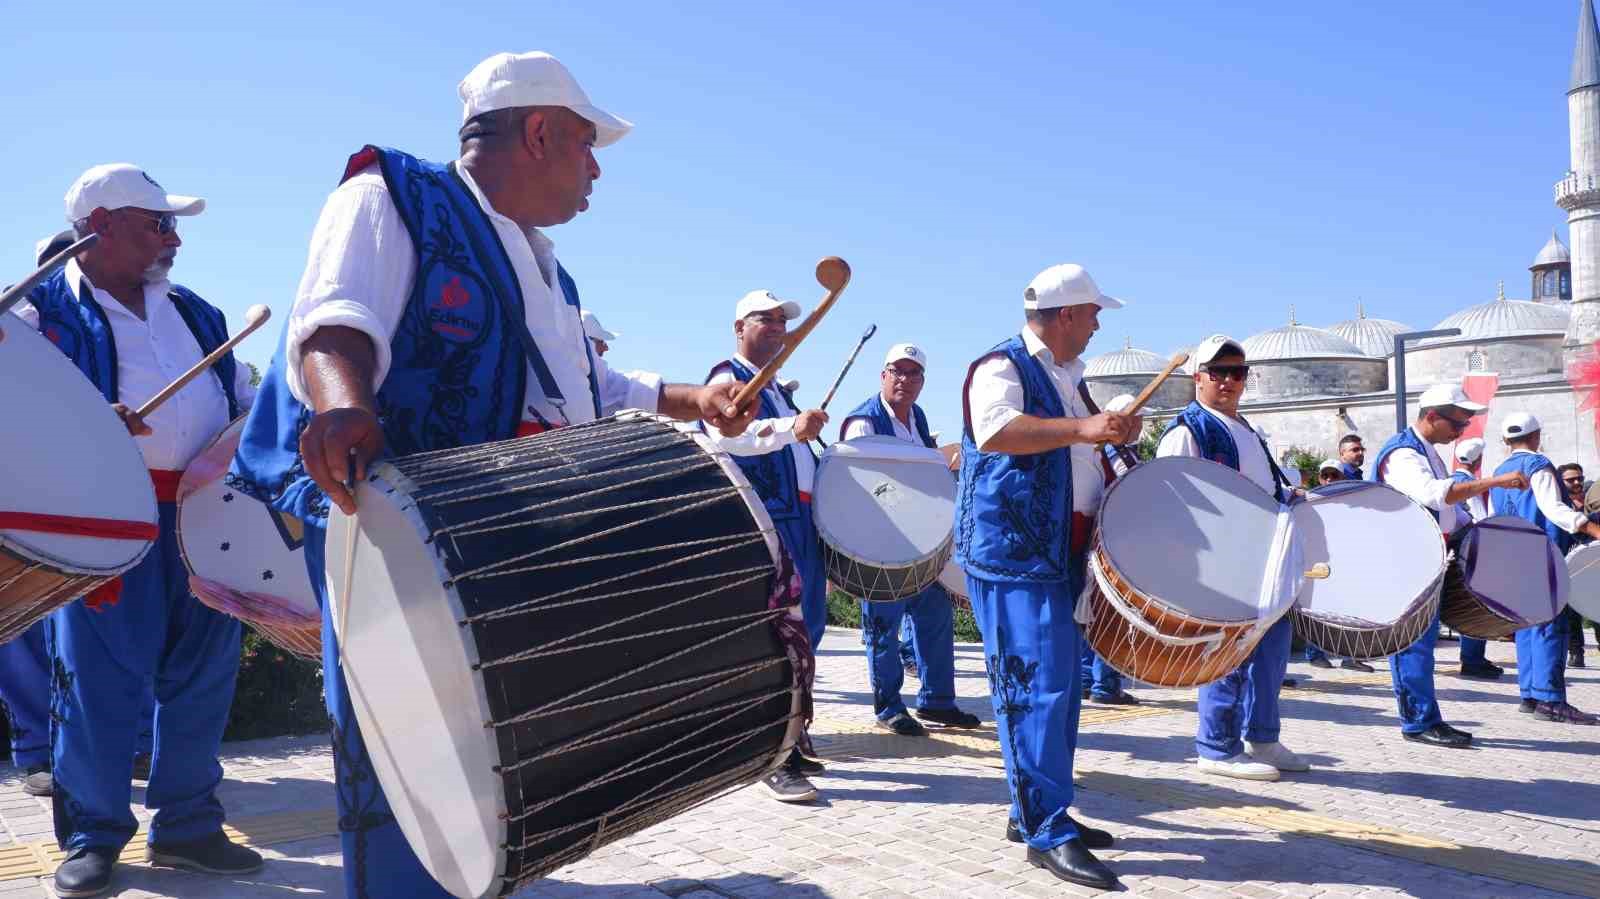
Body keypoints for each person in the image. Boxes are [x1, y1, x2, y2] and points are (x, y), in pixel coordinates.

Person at [229, 51, 758, 898]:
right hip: (389, 522)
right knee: (405, 758)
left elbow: (589, 385)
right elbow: (334, 320)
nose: (594, 170)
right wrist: (341, 403)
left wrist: (700, 398)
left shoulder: (546, 265)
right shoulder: (392, 194)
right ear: (538, 130)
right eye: (587, 147)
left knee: (488, 758)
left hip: (494, 537)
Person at [14, 165, 261, 897]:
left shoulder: (200, 313)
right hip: (103, 517)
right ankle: (92, 836)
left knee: (204, 672)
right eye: (159, 224)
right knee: (96, 680)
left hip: (202, 514)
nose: (174, 238)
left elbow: (240, 396)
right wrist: (85, 426)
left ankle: (188, 826)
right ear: (101, 226)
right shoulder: (35, 316)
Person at [956, 263, 1137, 890]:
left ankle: (1035, 809)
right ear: (1065, 314)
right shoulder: (999, 367)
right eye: (1092, 314)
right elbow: (998, 431)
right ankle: (1046, 830)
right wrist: (1085, 426)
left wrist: (1113, 431)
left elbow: (1083, 448)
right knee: (1034, 689)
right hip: (1016, 553)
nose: (1096, 326)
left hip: (1060, 550)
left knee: (1058, 692)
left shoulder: (1069, 377)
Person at [0, 232, 157, 802]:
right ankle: (39, 752)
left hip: (104, 497)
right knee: (21, 633)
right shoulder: (17, 320)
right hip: (23, 494)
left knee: (123, 625)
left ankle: (139, 741)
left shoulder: (125, 317)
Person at [1157, 335, 1308, 781]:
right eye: (1218, 372)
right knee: (1226, 654)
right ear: (1197, 377)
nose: (1228, 380)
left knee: (1270, 654)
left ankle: (1262, 736)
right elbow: (1170, 496)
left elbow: (1263, 488)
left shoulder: (1247, 429)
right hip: (1222, 563)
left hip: (1264, 559)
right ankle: (1216, 746)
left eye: (1237, 373)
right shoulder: (1188, 430)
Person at [704, 289, 831, 802]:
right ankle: (770, 753)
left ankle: (791, 733)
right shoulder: (726, 377)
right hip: (766, 520)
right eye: (766, 319)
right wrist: (788, 428)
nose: (778, 327)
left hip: (797, 518)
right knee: (776, 637)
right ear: (739, 328)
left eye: (783, 320)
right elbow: (726, 435)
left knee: (806, 634)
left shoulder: (776, 386)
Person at [1371, 383, 1526, 748]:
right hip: (1407, 560)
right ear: (1431, 417)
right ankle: (1419, 721)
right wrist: (1496, 481)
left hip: (1426, 556)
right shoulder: (1404, 455)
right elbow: (1435, 495)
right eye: (1457, 423)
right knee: (1413, 644)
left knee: (1420, 642)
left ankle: (1426, 718)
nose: (1461, 431)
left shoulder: (1426, 451)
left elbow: (1448, 512)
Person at [838, 343, 981, 736]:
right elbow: (852, 486)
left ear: (922, 382)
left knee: (935, 617)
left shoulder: (916, 416)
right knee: (883, 627)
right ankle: (888, 706)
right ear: (883, 375)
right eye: (897, 371)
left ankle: (937, 701)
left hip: (920, 543)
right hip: (880, 544)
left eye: (913, 373)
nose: (905, 380)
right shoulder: (862, 422)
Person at [1489, 413, 1600, 724]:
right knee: (1551, 627)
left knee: (1526, 626)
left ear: (1505, 441)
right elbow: (1554, 510)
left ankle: (1530, 694)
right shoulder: (1538, 465)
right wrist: (1591, 529)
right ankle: (1551, 700)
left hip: (1515, 555)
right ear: (1537, 435)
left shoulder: (1499, 471)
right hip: (1542, 553)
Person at [1079, 392, 1141, 705]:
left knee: (1092, 615)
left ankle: (1089, 680)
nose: (1139, 423)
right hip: (1113, 544)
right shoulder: (1117, 455)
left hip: (1103, 543)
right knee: (1111, 618)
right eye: (1135, 416)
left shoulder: (1107, 452)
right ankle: (1104, 684)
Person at [1299, 460, 1377, 673]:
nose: (1330, 480)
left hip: (1347, 562)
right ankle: (1315, 654)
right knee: (1316, 610)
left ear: (1343, 478)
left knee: (1351, 611)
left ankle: (1350, 656)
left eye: (1335, 475)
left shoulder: (1354, 502)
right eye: (1326, 475)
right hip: (1319, 564)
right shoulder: (1308, 501)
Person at [1450, 438, 1502, 680]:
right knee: (1477, 606)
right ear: (1478, 460)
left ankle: (1472, 657)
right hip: (1473, 550)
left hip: (1456, 550)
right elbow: (1480, 520)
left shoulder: (1450, 482)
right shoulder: (1473, 485)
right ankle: (1472, 659)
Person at [1559, 462, 1595, 667]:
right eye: (1571, 479)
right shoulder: (1560, 508)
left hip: (1593, 565)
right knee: (1571, 612)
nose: (1576, 482)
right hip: (1570, 564)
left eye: (1579, 478)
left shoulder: (1593, 503)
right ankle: (1575, 651)